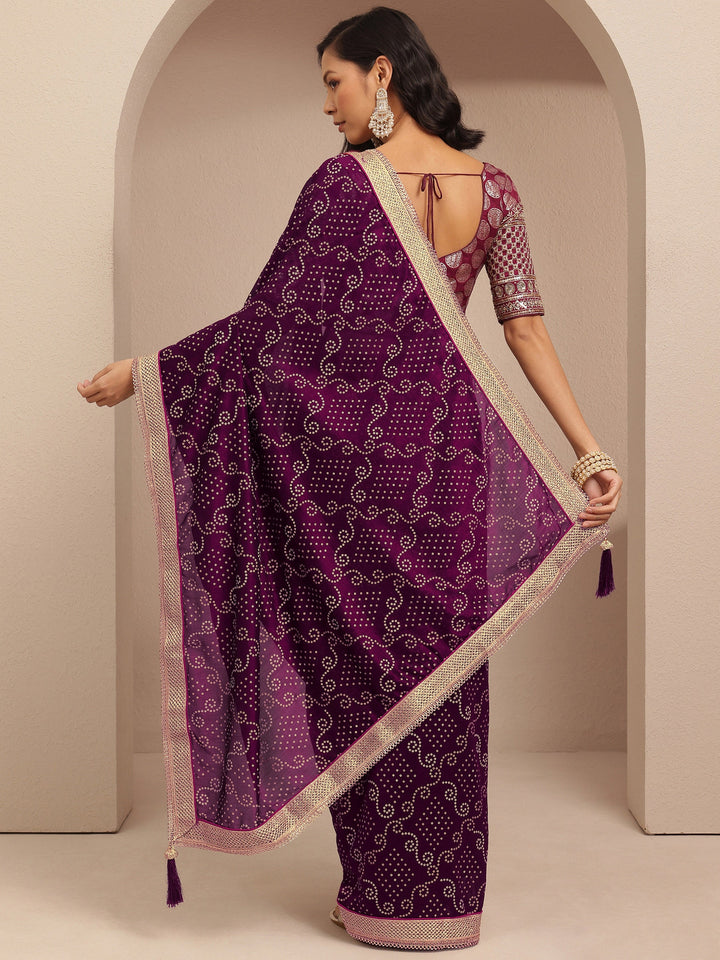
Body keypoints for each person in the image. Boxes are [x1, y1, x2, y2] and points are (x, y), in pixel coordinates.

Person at [77, 7, 622, 951]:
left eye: (333, 82)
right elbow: (525, 327)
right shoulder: (493, 189)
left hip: (356, 485)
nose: (326, 104)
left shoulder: (342, 184)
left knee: (365, 675)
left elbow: (266, 333)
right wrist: (589, 451)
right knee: (443, 682)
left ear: (381, 73)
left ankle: (379, 897)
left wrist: (147, 373)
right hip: (449, 475)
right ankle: (441, 906)